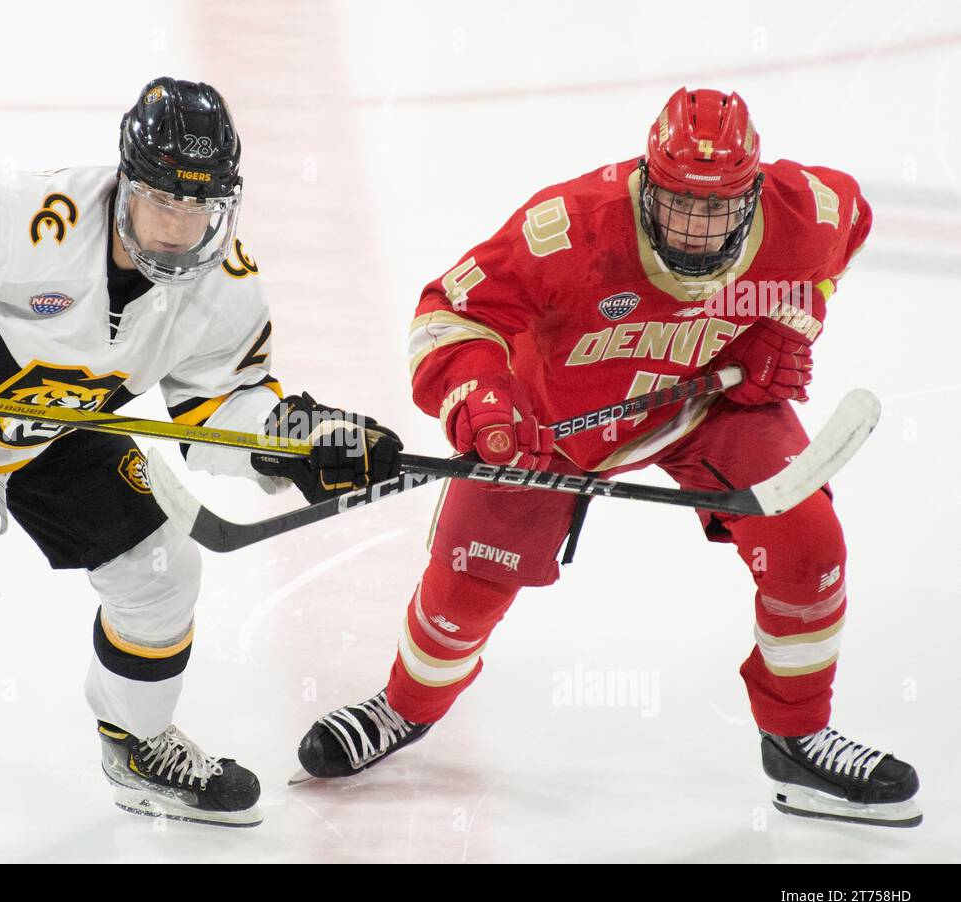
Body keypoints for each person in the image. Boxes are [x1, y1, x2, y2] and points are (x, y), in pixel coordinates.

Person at [0, 76, 401, 862]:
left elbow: (216, 412)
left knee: (162, 569)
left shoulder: (225, 291)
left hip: (49, 421)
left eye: (200, 208)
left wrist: (301, 437)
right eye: (162, 203)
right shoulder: (34, 223)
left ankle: (137, 747)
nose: (180, 229)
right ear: (124, 185)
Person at [295, 88, 921, 829]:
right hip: (547, 425)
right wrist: (484, 400)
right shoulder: (566, 229)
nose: (696, 227)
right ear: (646, 181)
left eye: (718, 208)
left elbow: (845, 233)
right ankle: (405, 708)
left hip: (703, 405)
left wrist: (783, 330)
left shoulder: (807, 208)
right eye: (680, 203)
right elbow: (449, 313)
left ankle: (799, 740)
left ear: (754, 192)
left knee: (807, 543)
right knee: (461, 593)